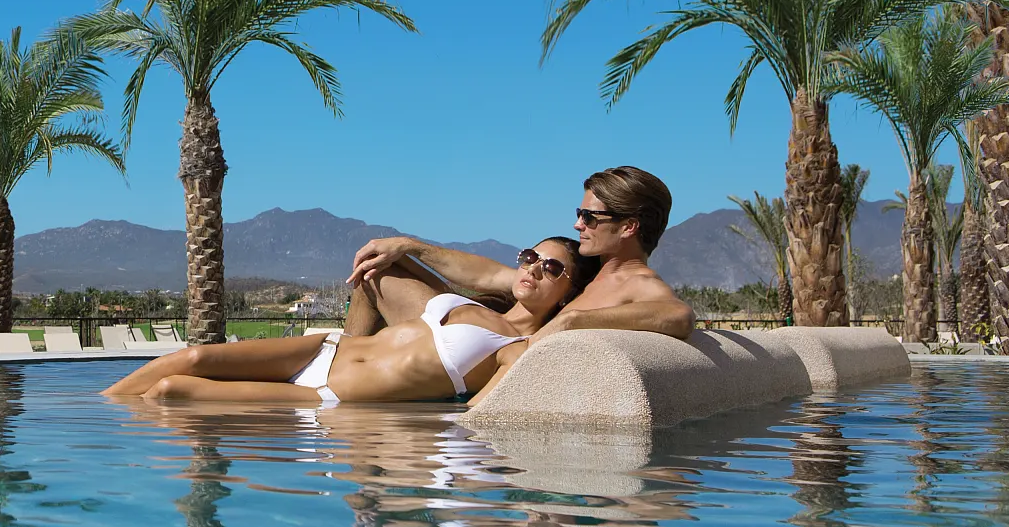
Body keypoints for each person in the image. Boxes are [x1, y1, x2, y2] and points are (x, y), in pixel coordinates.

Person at [102, 237, 595, 406]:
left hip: (328, 396)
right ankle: (101, 414)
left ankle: (120, 449)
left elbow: (480, 413)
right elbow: (378, 268)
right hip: (324, 348)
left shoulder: (521, 350)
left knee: (172, 390)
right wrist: (405, 245)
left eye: (552, 268)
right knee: (192, 357)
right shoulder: (471, 307)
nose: (534, 268)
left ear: (569, 291)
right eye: (530, 256)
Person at [346, 165, 695, 402]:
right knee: (375, 269)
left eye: (589, 217)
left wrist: (571, 320)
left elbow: (679, 316)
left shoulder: (639, 283)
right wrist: (410, 246)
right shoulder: (588, 267)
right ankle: (337, 363)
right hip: (481, 345)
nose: (578, 225)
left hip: (481, 368)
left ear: (629, 227)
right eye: (579, 214)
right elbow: (487, 275)